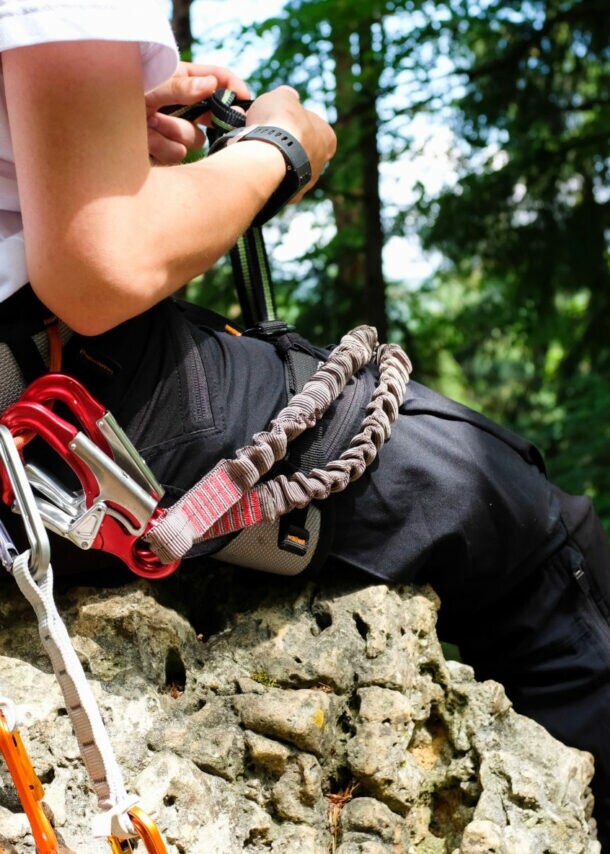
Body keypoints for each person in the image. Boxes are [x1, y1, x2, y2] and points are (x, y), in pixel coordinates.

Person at [0, 0, 609, 849]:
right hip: (73, 401)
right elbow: (103, 264)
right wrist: (278, 148)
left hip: (43, 388)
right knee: (520, 518)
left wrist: (76, 127)